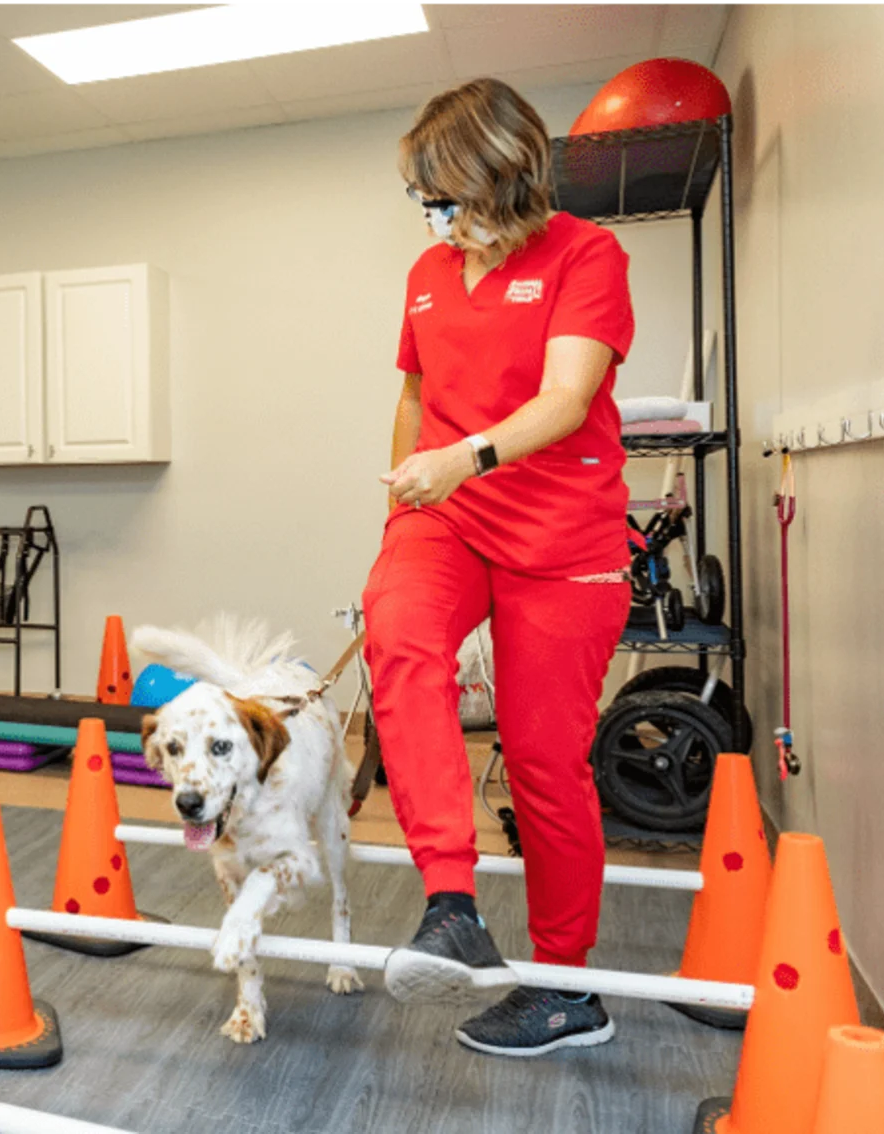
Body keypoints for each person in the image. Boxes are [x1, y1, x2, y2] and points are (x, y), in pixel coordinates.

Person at [361, 78, 635, 1057]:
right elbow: (415, 392)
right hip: (450, 518)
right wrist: (403, 506)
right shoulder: (430, 271)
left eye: (446, 197)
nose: (434, 219)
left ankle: (567, 990)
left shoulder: (587, 255)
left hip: (563, 541)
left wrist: (463, 456)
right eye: (423, 200)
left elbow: (569, 396)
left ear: (504, 177)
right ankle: (449, 903)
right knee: (393, 628)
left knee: (544, 764)